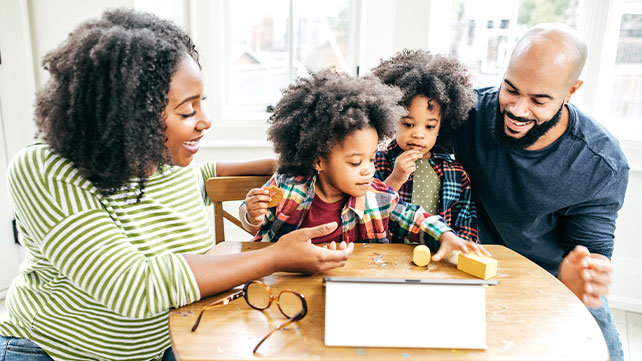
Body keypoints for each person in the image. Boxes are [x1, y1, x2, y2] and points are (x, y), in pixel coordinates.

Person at [0, 9, 353, 361]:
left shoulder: (159, 158)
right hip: (52, 351)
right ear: (129, 117)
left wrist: (272, 165)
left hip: (164, 342)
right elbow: (133, 287)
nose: (205, 121)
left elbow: (196, 177)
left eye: (202, 105)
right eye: (187, 112)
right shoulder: (45, 169)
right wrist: (275, 256)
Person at [451, 23, 629, 361]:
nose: (517, 109)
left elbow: (591, 250)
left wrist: (582, 275)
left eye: (538, 100)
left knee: (606, 353)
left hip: (552, 274)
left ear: (571, 91)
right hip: (475, 260)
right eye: (511, 89)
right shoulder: (469, 113)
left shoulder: (600, 161)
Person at [239, 69, 488, 260]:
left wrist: (445, 235)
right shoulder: (289, 187)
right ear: (318, 160)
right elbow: (256, 225)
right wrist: (252, 213)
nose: (369, 169)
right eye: (356, 162)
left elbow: (413, 216)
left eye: (371, 158)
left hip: (350, 283)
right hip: (285, 283)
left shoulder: (375, 197)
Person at [372, 49, 478, 251]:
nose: (418, 135)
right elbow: (369, 210)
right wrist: (395, 178)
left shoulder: (456, 173)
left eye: (429, 127)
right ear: (390, 119)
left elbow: (466, 224)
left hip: (439, 257)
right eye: (408, 124)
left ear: (442, 126)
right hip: (386, 257)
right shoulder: (376, 162)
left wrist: (462, 250)